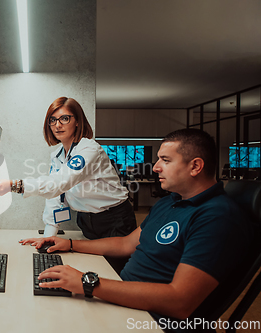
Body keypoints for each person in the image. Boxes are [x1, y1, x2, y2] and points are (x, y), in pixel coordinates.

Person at [20, 128, 257, 330]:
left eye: (165, 160)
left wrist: (87, 282)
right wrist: (71, 244)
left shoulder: (217, 217)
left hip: (152, 321)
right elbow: (125, 243)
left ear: (195, 166)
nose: (155, 167)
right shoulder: (170, 202)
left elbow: (180, 301)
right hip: (127, 300)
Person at [0, 97, 137, 247]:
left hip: (115, 220)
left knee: (112, 269)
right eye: (52, 120)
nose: (57, 125)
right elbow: (55, 197)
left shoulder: (89, 149)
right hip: (86, 221)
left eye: (64, 119)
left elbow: (59, 183)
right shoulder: (57, 155)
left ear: (78, 121)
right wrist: (48, 238)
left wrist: (14, 185)